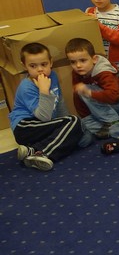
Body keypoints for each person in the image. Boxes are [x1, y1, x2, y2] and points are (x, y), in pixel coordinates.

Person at [12, 43, 83, 171]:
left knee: (77, 129)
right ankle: (42, 153)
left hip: (42, 127)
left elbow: (59, 102)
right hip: (24, 127)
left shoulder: (53, 76)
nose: (40, 69)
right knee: (73, 120)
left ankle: (31, 150)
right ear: (24, 66)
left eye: (44, 64)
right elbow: (43, 117)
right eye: (33, 66)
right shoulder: (26, 87)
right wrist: (44, 91)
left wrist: (69, 127)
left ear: (51, 62)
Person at [65, 37, 119, 139]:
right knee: (86, 131)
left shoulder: (104, 72)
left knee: (85, 90)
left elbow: (114, 97)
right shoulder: (77, 73)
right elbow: (77, 99)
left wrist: (89, 93)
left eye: (83, 60)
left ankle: (113, 122)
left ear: (94, 59)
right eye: (73, 62)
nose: (78, 65)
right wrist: (87, 121)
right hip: (106, 109)